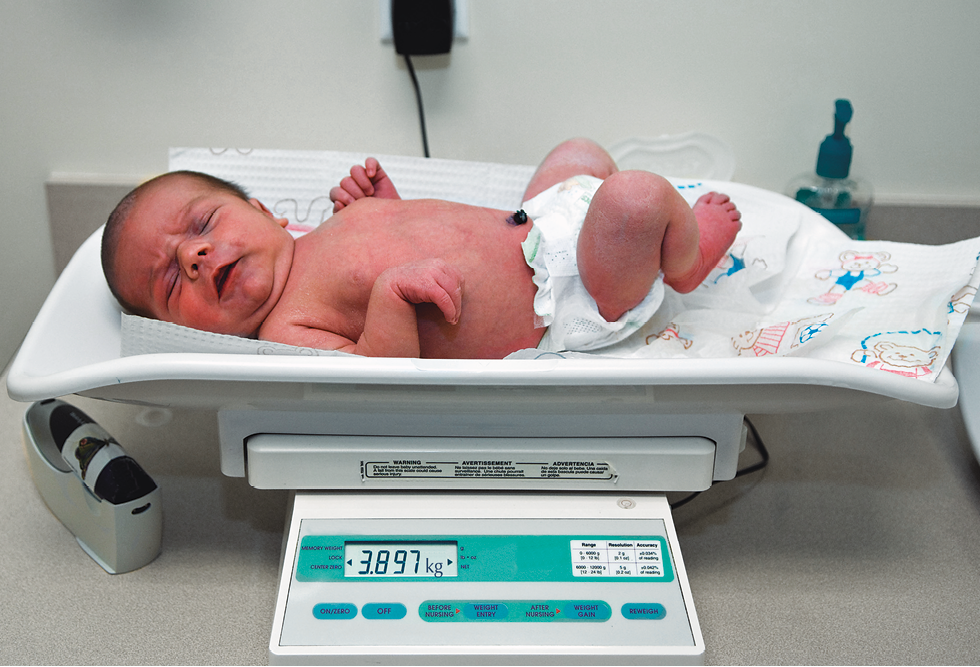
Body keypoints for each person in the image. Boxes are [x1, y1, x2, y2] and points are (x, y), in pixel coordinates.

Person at [101, 138, 741, 358]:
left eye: (204, 223)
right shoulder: (285, 330)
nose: (194, 257)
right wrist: (391, 294)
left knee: (578, 155)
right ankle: (683, 264)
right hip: (575, 297)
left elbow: (426, 239)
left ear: (264, 210)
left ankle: (644, 236)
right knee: (632, 199)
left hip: (535, 223)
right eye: (169, 283)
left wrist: (389, 206)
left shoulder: (313, 237)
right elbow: (375, 372)